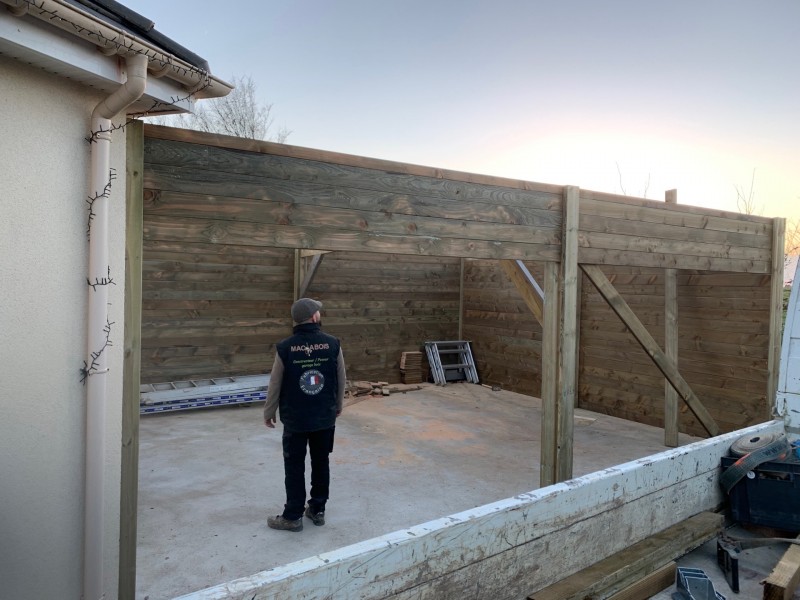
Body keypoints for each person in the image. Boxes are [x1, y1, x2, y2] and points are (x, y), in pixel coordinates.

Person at [263, 298, 346, 532]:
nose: (320, 313)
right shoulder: (332, 344)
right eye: (318, 311)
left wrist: (269, 412)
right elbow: (341, 378)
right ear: (313, 317)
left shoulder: (285, 347)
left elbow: (275, 383)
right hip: (324, 416)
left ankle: (292, 516)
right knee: (321, 462)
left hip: (295, 419)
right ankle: (317, 510)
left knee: (294, 466)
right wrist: (338, 405)